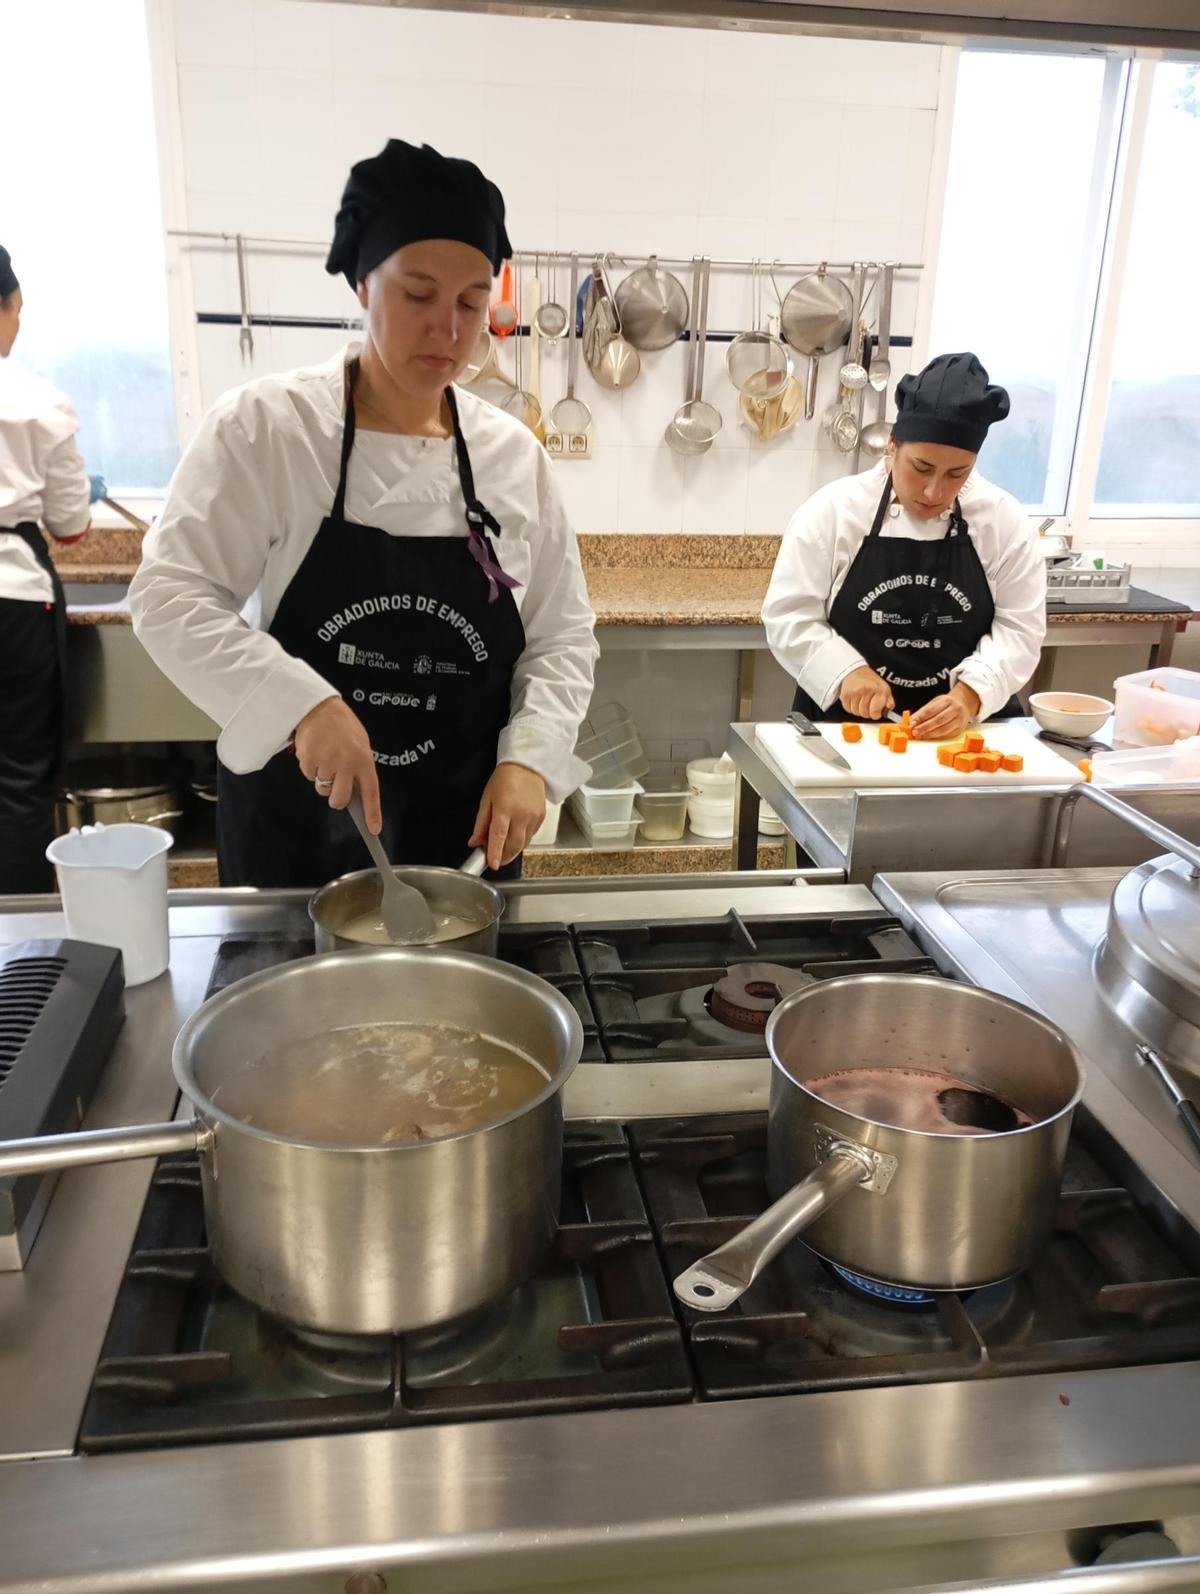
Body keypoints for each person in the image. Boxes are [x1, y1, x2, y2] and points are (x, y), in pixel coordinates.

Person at [129, 141, 598, 887]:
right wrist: (300, 705)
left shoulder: (513, 458)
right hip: (297, 849)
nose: (448, 330)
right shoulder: (269, 430)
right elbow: (168, 597)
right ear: (362, 285)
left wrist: (531, 758)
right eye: (417, 295)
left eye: (473, 302)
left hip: (464, 843)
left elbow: (561, 636)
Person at [763, 352, 1046, 741]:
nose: (935, 492)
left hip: (961, 736)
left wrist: (968, 697)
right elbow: (788, 615)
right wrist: (845, 672)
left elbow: (1020, 631)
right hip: (845, 733)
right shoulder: (833, 512)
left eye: (956, 474)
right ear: (892, 447)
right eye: (922, 468)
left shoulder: (1004, 521)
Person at [0, 244, 101, 893]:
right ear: (5, 307)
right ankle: (18, 953)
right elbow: (69, 526)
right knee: (17, 785)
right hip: (12, 599)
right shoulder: (38, 401)